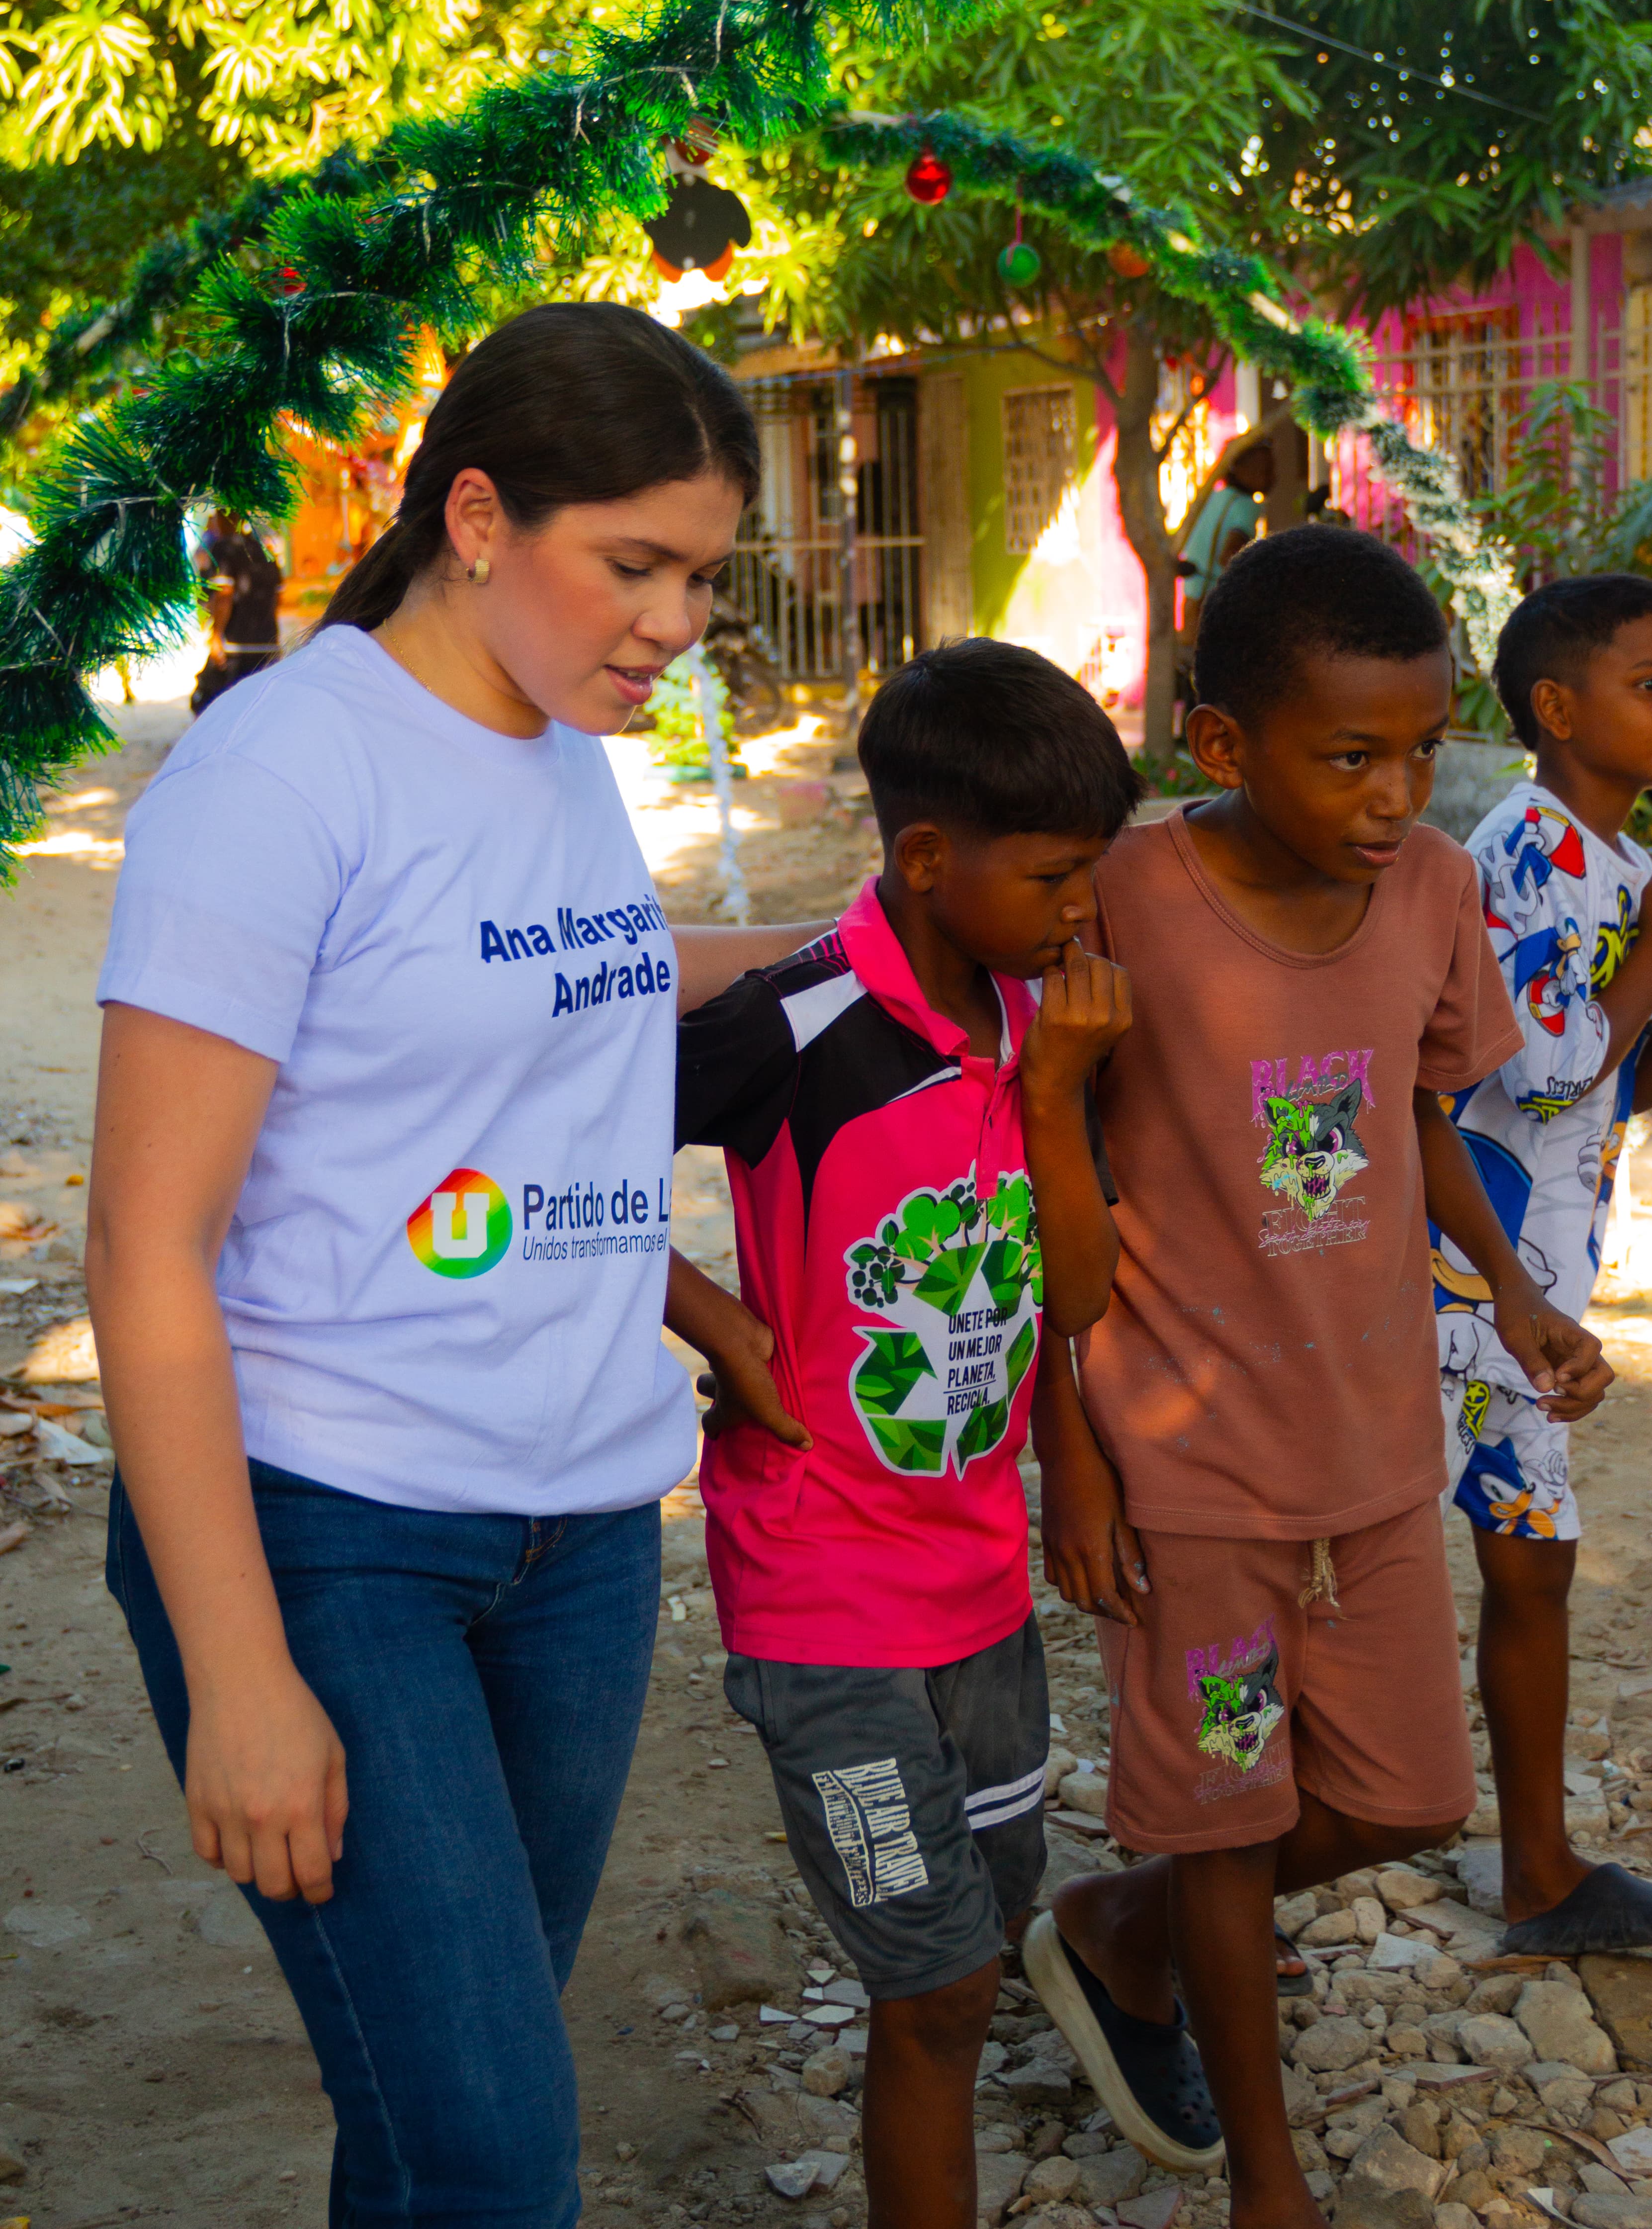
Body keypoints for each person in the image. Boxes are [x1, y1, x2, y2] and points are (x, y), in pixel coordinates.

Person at [86, 303, 829, 2229]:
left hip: (578, 1536)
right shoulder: (283, 777)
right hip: (334, 1536)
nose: (677, 623)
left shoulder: (557, 739)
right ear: (479, 519)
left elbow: (578, 1002)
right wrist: (240, 1670)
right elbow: (146, 1249)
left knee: (434, 2122)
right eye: (637, 565)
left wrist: (887, 938)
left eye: (703, 577)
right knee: (494, 2152)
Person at [1019, 527, 1609, 2229]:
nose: (1395, 794)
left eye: (1422, 750)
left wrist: (1516, 1293)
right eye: (1351, 756)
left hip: (1372, 1450)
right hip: (1193, 1481)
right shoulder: (1123, 898)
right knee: (1226, 1813)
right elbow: (1040, 1177)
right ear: (1223, 742)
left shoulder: (1430, 891)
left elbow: (1418, 1110)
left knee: (1407, 1795)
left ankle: (1114, 1928)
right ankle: (1263, 2182)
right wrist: (1075, 1450)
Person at [664, 640, 1193, 2229]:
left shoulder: (1047, 1025)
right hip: (820, 1595)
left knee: (982, 1942)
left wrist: (1059, 1093)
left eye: (1094, 875)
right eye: (1053, 879)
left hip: (980, 1592)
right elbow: (556, 1149)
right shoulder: (799, 1025)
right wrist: (713, 1318)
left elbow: (1078, 1293)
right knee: (940, 1987)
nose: (1083, 912)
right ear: (923, 859)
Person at [1435, 574, 1652, 1955]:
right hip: (1460, 1281)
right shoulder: (1526, 853)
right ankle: (1227, 1888)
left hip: (1533, 1293)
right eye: (1650, 683)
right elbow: (1540, 1069)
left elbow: (1610, 1085)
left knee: (1533, 1565)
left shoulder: (1612, 855)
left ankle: (1539, 1869)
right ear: (1555, 707)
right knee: (1346, 1578)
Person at [190, 505, 284, 714]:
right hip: (268, 645)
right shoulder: (265, 550)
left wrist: (216, 636)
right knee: (262, 713)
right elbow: (279, 597)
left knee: (226, 712)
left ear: (224, 519)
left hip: (236, 648)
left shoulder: (224, 548)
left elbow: (224, 596)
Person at [1175, 439, 1272, 628]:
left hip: (1193, 595)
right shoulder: (1245, 506)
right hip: (1214, 601)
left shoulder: (1216, 497)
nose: (1271, 478)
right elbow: (1230, 556)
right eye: (1264, 470)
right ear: (1240, 469)